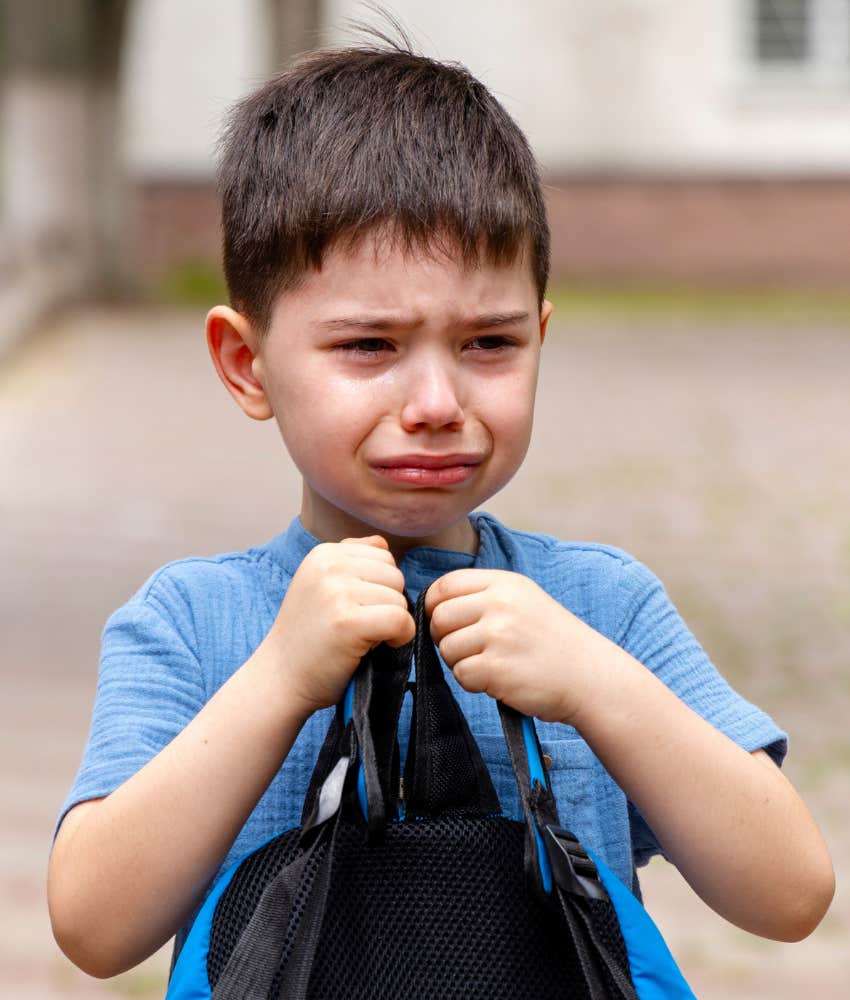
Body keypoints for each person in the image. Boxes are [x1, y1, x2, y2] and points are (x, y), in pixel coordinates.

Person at [48, 38, 833, 980]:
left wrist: (592, 681)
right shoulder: (192, 623)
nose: (435, 402)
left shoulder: (598, 605)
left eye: (488, 344)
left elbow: (790, 893)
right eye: (370, 345)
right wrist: (281, 679)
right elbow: (94, 925)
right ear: (245, 364)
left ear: (540, 337)